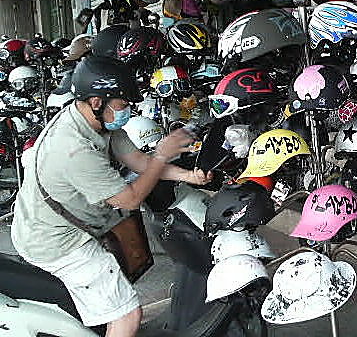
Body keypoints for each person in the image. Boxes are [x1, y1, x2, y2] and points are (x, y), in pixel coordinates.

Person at [10, 55, 213, 337]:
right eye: (123, 104)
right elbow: (129, 199)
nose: (127, 110)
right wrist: (163, 154)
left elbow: (138, 160)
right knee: (127, 314)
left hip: (60, 223)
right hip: (59, 241)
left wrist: (187, 176)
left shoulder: (98, 122)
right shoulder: (74, 149)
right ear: (97, 102)